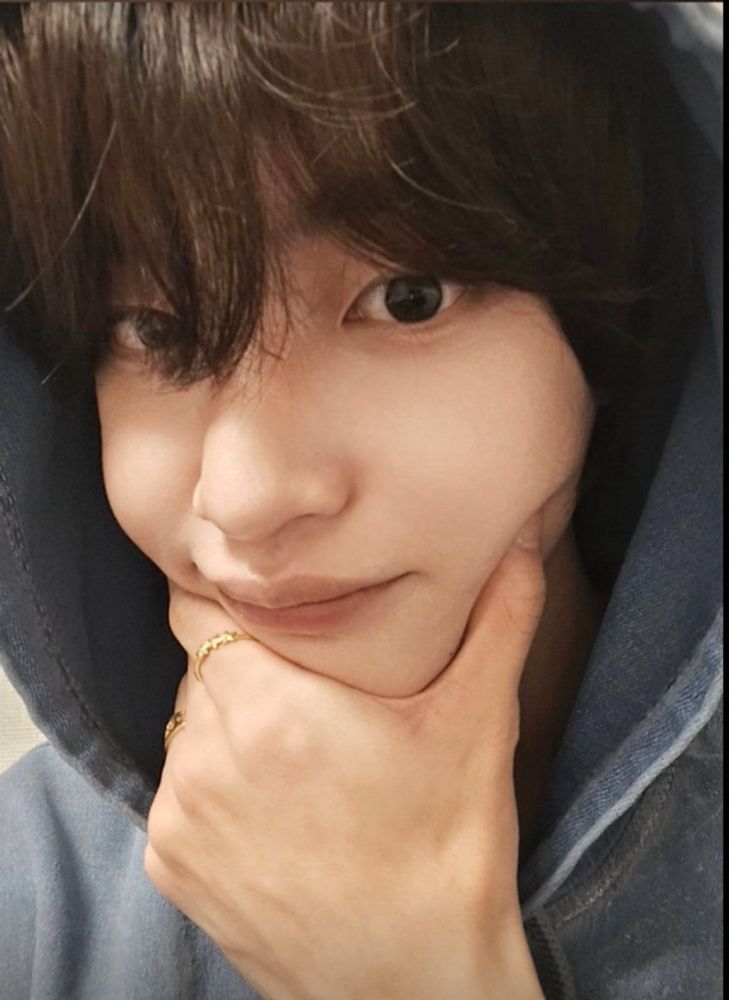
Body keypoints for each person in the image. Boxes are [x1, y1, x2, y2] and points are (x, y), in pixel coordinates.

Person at [0, 3, 722, 998]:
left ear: (611, 322)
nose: (246, 499)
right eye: (154, 329)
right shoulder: (32, 906)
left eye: (405, 297)